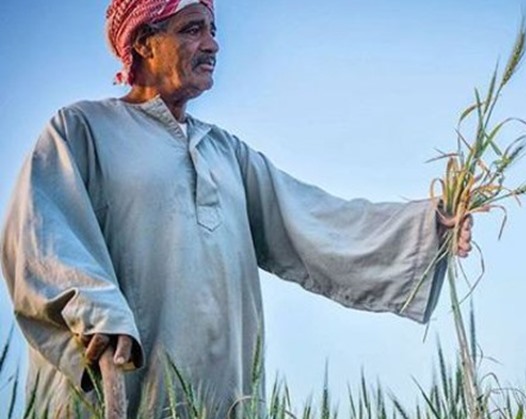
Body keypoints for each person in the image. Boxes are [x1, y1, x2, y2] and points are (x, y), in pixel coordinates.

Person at [0, 0, 472, 416]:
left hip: (221, 398)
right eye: (192, 29)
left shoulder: (226, 153)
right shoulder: (82, 129)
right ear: (144, 41)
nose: (212, 45)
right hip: (121, 387)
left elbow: (315, 220)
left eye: (213, 30)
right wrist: (96, 312)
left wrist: (429, 228)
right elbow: (41, 236)